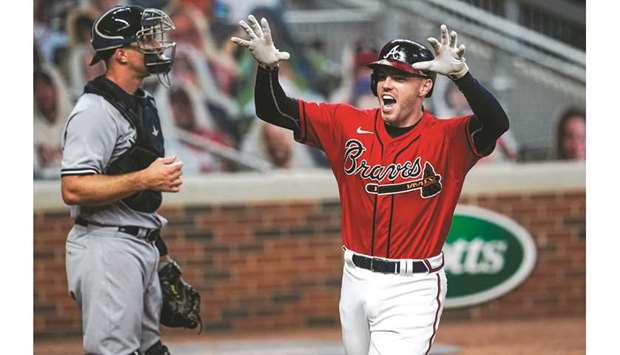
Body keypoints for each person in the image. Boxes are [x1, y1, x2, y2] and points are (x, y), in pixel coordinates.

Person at [233, 17, 509, 354]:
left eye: (400, 77)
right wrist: (266, 69)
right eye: (382, 75)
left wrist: (461, 76)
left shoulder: (449, 138)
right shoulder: (347, 124)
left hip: (413, 285)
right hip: (355, 278)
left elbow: (496, 123)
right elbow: (273, 110)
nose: (386, 84)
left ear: (425, 86)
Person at [60, 6, 181, 354]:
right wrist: (145, 178)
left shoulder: (143, 102)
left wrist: (159, 252)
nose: (157, 46)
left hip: (138, 241)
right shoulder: (94, 110)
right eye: (145, 40)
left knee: (152, 350)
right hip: (107, 245)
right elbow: (73, 188)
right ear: (121, 54)